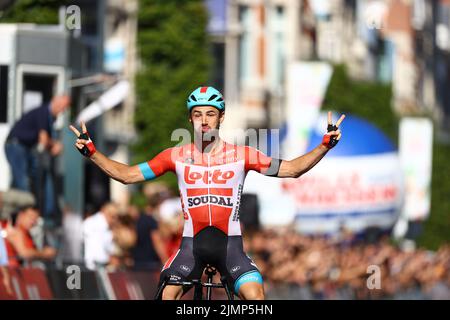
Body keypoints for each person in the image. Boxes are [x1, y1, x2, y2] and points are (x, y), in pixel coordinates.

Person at [70, 86, 345, 300]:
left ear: (221, 117)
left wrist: (324, 146)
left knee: (255, 296)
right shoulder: (175, 156)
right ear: (190, 118)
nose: (204, 121)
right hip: (191, 248)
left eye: (210, 114)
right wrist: (92, 154)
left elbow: (292, 169)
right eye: (198, 114)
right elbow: (127, 175)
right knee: (167, 293)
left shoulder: (242, 155)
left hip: (231, 249)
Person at [4, 94, 71, 223]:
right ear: (56, 102)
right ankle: (27, 216)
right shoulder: (43, 112)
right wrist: (54, 145)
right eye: (63, 107)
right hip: (16, 146)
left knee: (21, 182)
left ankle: (14, 215)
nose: (63, 110)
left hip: (22, 147)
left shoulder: (48, 115)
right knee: (23, 182)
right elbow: (44, 139)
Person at [82, 202, 119, 270]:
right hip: (95, 267)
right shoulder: (93, 224)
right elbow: (98, 253)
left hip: (95, 266)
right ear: (104, 211)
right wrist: (110, 259)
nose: (115, 220)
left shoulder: (106, 228)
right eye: (113, 216)